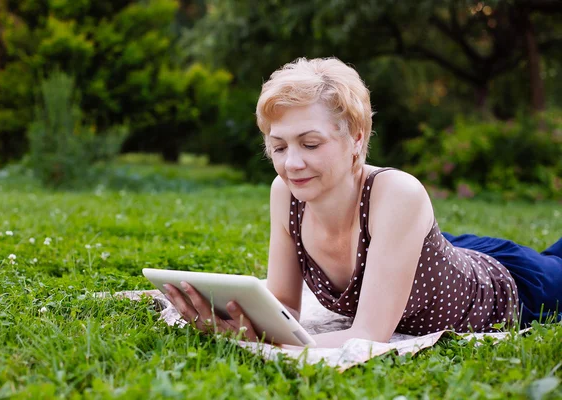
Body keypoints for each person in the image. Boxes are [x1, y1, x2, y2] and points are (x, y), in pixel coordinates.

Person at [163, 57, 562, 348]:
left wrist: (271, 346)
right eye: (278, 146)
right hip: (432, 252)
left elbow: (368, 336)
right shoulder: (284, 193)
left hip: (513, 285)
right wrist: (239, 322)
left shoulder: (398, 193)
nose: (292, 163)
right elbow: (285, 307)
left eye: (310, 143)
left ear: (355, 138)